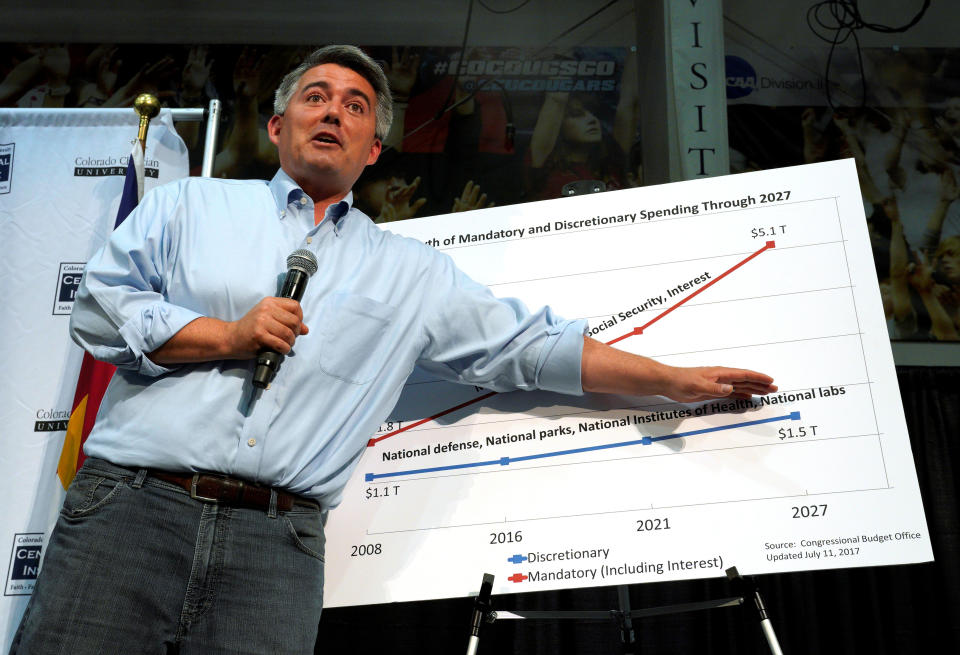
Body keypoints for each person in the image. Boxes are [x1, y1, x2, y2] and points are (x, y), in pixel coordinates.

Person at [11, 45, 776, 653]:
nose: (333, 113)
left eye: (355, 106)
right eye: (315, 96)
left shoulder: (411, 273)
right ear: (277, 127)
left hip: (275, 546)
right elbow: (104, 306)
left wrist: (672, 380)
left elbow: (531, 346)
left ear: (374, 149)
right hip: (132, 510)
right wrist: (230, 335)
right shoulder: (188, 206)